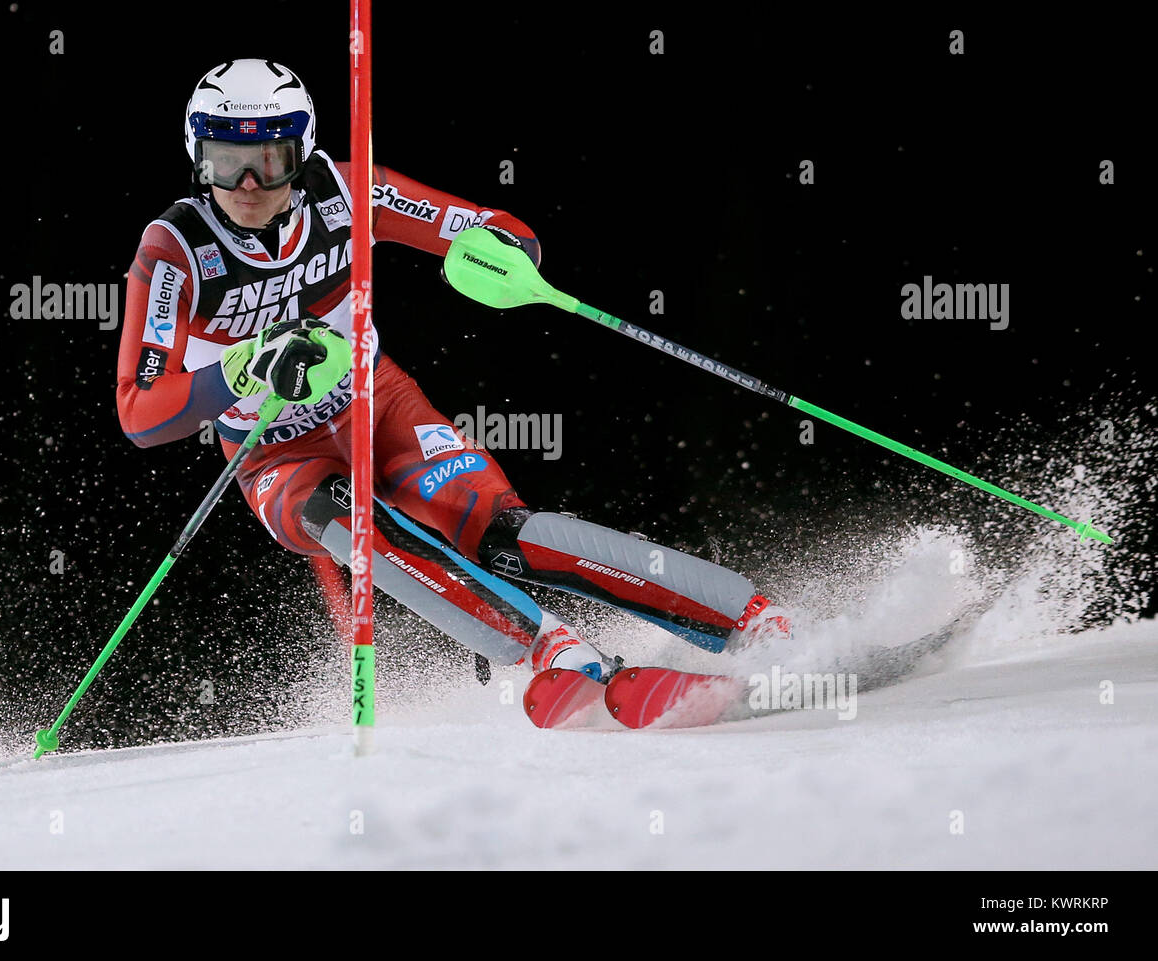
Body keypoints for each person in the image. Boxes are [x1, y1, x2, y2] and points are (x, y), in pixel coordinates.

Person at [116, 59, 787, 688]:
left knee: (499, 531)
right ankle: (554, 653)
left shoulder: (350, 191)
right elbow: (140, 413)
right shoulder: (174, 250)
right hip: (275, 451)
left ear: (302, 151)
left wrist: (501, 256)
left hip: (380, 405)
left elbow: (489, 225)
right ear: (197, 157)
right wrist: (240, 368)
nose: (250, 186)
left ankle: (751, 619)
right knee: (351, 522)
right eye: (226, 164)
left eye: (270, 160)